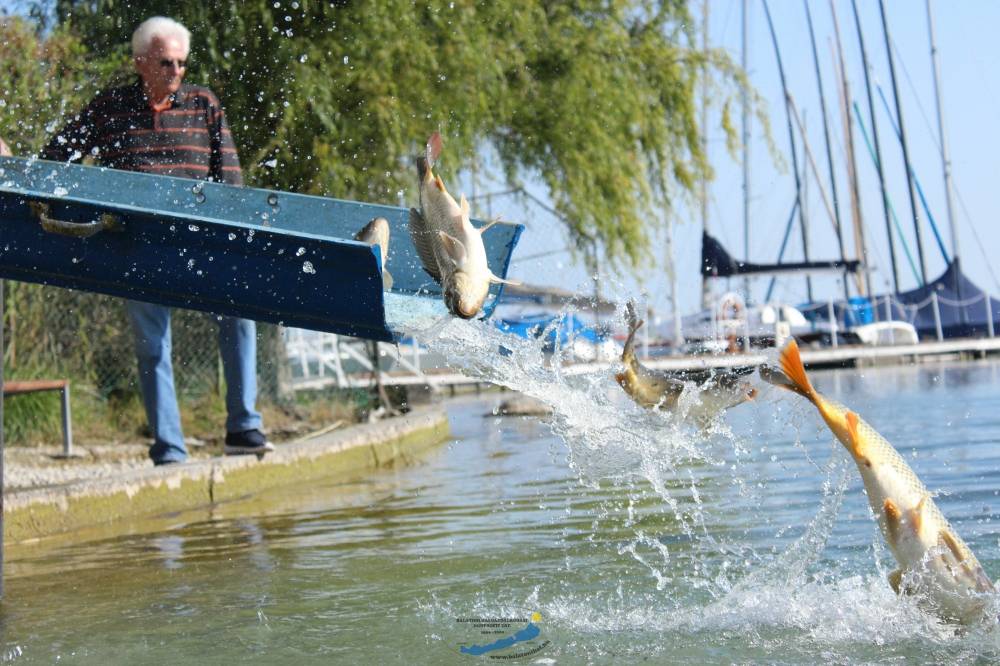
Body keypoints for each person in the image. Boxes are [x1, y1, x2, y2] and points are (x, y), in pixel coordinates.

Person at [40, 16, 273, 465]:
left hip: (205, 239)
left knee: (240, 317)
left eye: (182, 63)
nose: (176, 72)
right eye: (166, 62)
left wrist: (238, 236)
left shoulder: (204, 104)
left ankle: (243, 428)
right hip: (137, 241)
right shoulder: (109, 109)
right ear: (141, 62)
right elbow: (57, 157)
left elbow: (230, 181)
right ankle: (169, 449)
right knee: (152, 343)